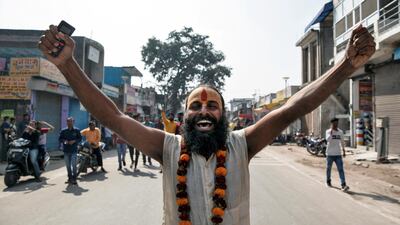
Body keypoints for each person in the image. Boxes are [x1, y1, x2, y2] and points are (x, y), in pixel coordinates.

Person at [39, 24, 375, 225]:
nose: (203, 111)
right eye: (195, 106)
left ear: (223, 115)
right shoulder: (167, 148)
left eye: (212, 105)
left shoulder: (242, 144)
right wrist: (68, 65)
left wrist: (345, 66)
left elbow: (291, 108)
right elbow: (113, 116)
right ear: (183, 117)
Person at [325, 118, 349, 191]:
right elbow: (328, 140)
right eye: (334, 124)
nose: (336, 125)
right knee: (328, 168)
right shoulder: (328, 131)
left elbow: (342, 142)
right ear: (331, 124)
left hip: (338, 154)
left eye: (337, 123)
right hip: (330, 154)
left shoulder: (340, 132)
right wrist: (332, 132)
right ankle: (328, 181)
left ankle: (343, 184)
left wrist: (344, 151)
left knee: (341, 169)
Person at [59, 117, 82, 185]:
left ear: (73, 122)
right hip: (66, 150)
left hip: (74, 150)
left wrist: (74, 141)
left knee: (74, 165)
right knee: (68, 165)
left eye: (71, 121)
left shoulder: (77, 130)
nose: (69, 123)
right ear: (66, 122)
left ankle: (74, 178)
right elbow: (60, 139)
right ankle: (70, 178)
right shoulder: (63, 131)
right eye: (68, 121)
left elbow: (80, 138)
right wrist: (64, 141)